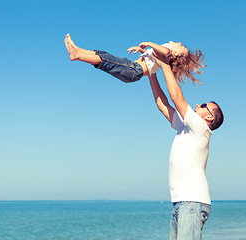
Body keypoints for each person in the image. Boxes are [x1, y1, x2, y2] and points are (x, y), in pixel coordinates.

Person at [148, 53, 224, 239]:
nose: (198, 104)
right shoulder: (185, 127)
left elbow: (176, 97)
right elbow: (162, 104)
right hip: (181, 202)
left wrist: (165, 64)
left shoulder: (201, 129)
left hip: (192, 202)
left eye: (204, 105)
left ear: (209, 118)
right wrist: (151, 72)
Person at [64, 33, 205, 84]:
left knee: (107, 61)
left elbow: (164, 50)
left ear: (175, 54)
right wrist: (142, 50)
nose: (180, 43)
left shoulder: (167, 53)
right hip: (133, 69)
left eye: (182, 47)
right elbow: (152, 57)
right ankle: (78, 51)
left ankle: (78, 55)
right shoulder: (160, 56)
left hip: (134, 70)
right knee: (106, 57)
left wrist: (150, 43)